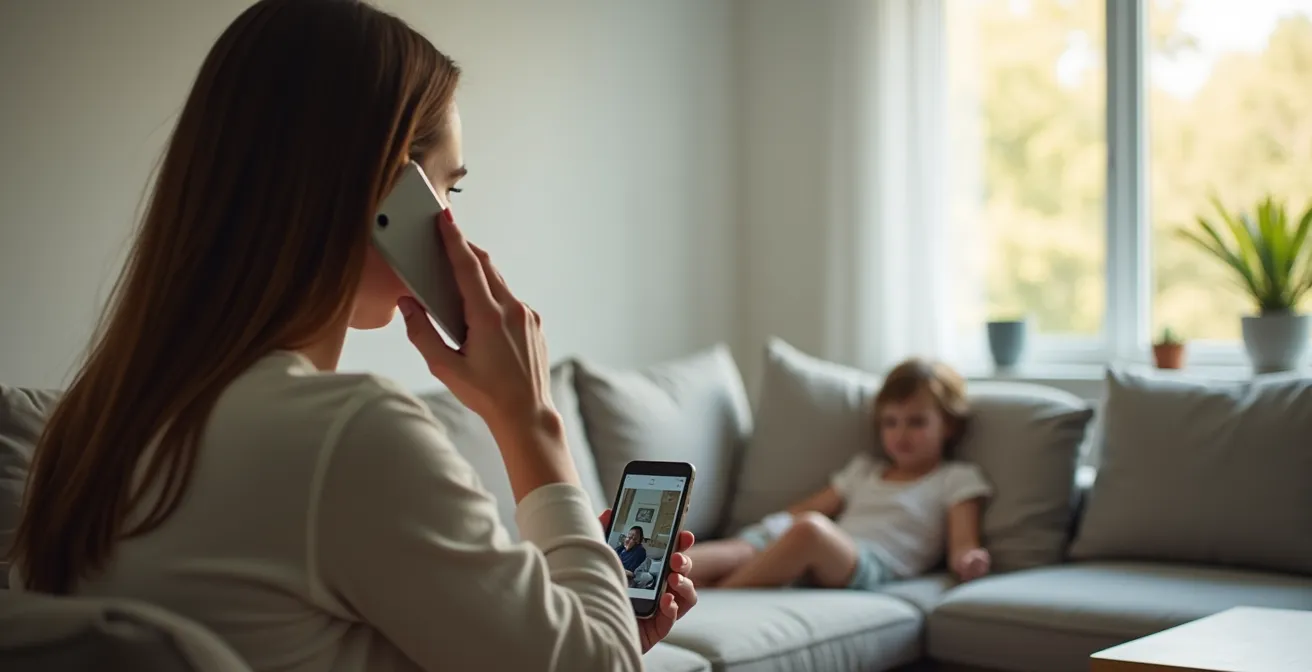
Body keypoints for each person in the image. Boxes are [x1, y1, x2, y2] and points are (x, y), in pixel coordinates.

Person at [6, 1, 697, 670]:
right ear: (386, 192)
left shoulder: (81, 437)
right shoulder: (350, 436)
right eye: (447, 192)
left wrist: (595, 620)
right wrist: (529, 421)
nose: (452, 222)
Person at [686, 358, 993, 590]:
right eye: (891, 422)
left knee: (810, 531)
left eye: (916, 422)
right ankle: (646, 587)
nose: (901, 433)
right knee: (743, 546)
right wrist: (756, 537)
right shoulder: (865, 470)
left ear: (949, 426)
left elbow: (963, 542)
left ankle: (719, 595)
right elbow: (805, 509)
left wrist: (968, 561)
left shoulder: (955, 478)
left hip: (870, 563)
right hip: (822, 550)